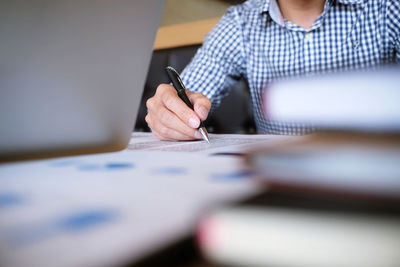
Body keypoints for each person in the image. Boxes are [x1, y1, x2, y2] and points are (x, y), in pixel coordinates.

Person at [145, 0, 400, 141]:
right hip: (278, 187)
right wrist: (170, 112)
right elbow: (187, 98)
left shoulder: (386, 7)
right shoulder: (240, 23)